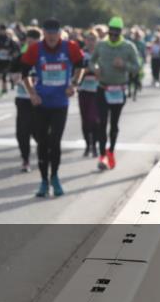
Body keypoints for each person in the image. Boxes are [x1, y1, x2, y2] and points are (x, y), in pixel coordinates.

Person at [18, 18, 85, 197]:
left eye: (55, 33)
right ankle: (43, 181)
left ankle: (54, 177)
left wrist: (75, 84)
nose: (52, 36)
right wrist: (32, 93)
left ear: (59, 33)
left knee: (54, 142)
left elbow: (81, 65)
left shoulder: (70, 47)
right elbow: (24, 71)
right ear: (44, 33)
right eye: (48, 33)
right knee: (42, 143)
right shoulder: (35, 49)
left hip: (60, 104)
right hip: (41, 103)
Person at [90, 17, 141, 170]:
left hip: (118, 90)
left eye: (115, 34)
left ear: (120, 33)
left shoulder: (128, 47)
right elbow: (92, 62)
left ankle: (111, 151)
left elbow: (137, 67)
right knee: (101, 123)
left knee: (114, 125)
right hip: (102, 88)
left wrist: (124, 65)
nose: (112, 36)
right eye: (110, 33)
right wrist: (95, 69)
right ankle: (102, 156)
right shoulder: (101, 45)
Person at [11, 28, 42, 172]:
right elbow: (13, 74)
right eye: (29, 43)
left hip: (41, 100)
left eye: (34, 44)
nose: (31, 47)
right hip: (23, 98)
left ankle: (43, 154)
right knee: (22, 131)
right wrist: (16, 79)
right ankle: (25, 159)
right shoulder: (21, 57)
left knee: (39, 130)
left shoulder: (44, 57)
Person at [78, 29, 101, 158]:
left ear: (97, 41)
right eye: (89, 39)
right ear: (85, 40)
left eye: (93, 39)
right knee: (85, 120)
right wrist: (84, 72)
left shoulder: (100, 55)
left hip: (97, 90)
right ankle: (88, 145)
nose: (91, 42)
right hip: (84, 90)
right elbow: (76, 70)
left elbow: (104, 71)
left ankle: (95, 145)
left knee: (95, 120)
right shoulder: (81, 54)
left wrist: (98, 72)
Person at [0, 23, 20, 98]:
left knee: (4, 75)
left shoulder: (8, 38)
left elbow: (13, 48)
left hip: (6, 59)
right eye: (0, 30)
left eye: (3, 30)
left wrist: (9, 52)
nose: (1, 31)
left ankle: (3, 88)